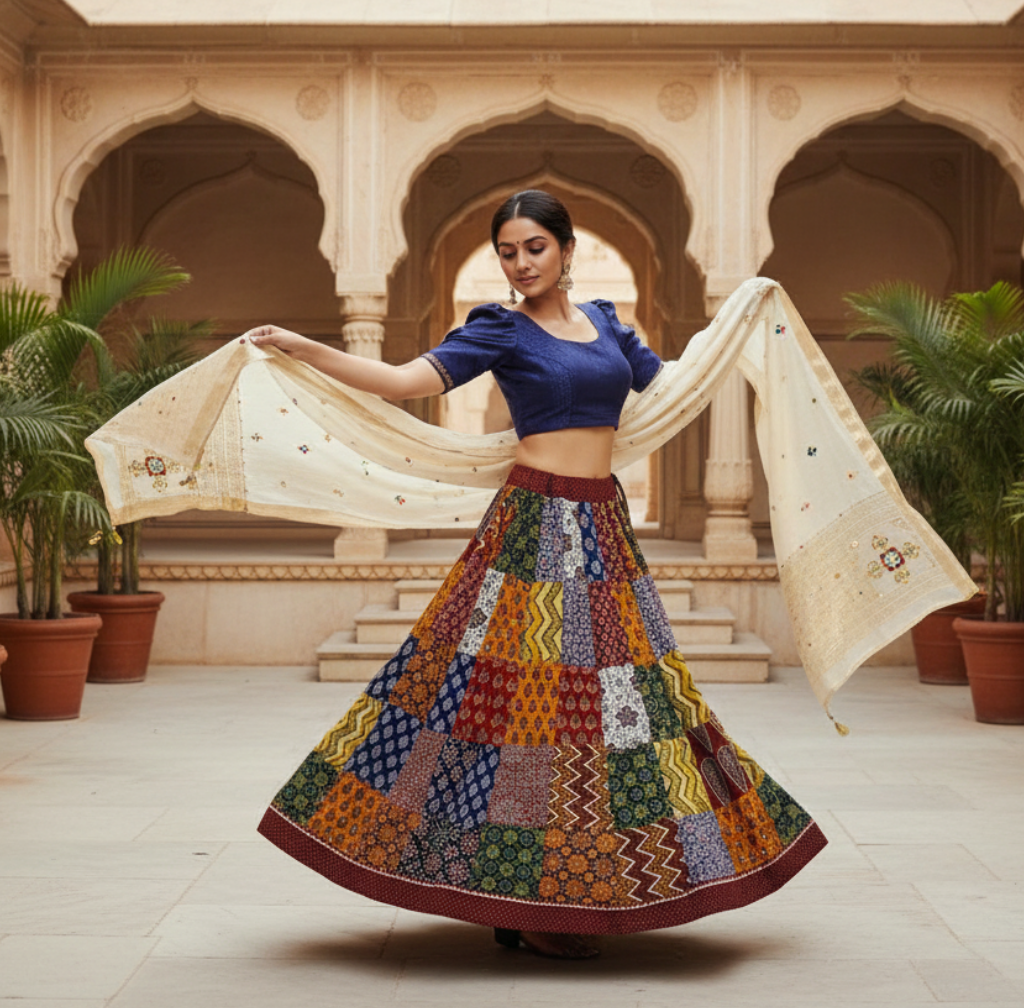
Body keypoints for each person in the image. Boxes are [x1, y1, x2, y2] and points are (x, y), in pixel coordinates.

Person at [250, 190, 827, 959]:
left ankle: (570, 890)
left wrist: (744, 318)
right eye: (508, 252)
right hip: (533, 531)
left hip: (603, 529)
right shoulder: (499, 328)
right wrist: (302, 346)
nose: (520, 264)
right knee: (516, 712)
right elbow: (404, 380)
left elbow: (673, 385)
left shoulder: (609, 324)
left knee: (622, 710)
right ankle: (526, 899)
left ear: (566, 249)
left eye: (534, 248)